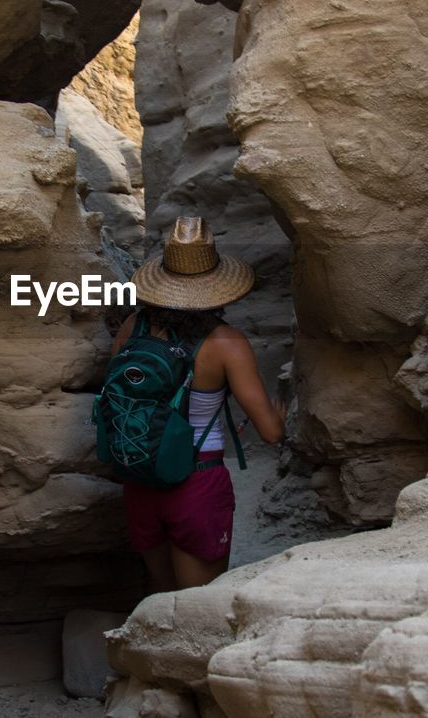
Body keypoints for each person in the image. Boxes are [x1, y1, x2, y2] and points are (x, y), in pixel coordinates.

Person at [109, 216, 285, 592]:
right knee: (196, 603)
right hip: (196, 483)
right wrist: (278, 416)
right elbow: (271, 433)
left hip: (139, 479)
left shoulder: (132, 327)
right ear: (218, 285)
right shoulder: (226, 343)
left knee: (161, 598)